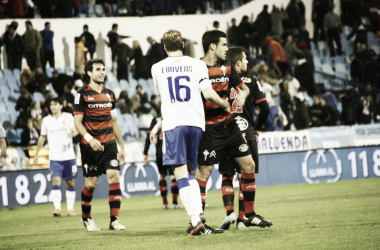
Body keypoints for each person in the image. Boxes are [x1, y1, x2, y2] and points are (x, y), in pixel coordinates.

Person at [150, 29, 230, 236]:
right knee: (191, 174)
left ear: (165, 47)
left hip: (174, 124)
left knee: (180, 174)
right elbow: (207, 93)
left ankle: (196, 222)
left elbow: (163, 98)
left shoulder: (156, 68)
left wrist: (158, 125)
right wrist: (223, 103)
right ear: (183, 45)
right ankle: (200, 219)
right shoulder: (198, 64)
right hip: (196, 123)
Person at [196, 30, 272, 230]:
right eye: (223, 45)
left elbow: (244, 88)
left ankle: (249, 214)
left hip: (230, 126)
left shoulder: (228, 67)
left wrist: (244, 96)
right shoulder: (197, 68)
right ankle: (199, 221)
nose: (226, 49)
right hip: (209, 129)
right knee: (203, 172)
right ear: (212, 46)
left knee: (248, 165)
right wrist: (222, 103)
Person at [218, 47, 269, 230]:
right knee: (244, 176)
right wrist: (257, 128)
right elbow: (265, 109)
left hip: (224, 131)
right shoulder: (252, 82)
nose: (248, 62)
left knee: (226, 174)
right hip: (246, 132)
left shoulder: (220, 81)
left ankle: (229, 213)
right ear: (238, 62)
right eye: (245, 59)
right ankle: (242, 219)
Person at [74, 58, 126, 231]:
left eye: (103, 69)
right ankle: (86, 218)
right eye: (98, 69)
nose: (102, 72)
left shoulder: (110, 94)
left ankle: (114, 220)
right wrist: (90, 139)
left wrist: (121, 146)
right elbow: (78, 123)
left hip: (109, 144)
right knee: (91, 184)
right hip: (90, 146)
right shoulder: (81, 95)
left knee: (114, 176)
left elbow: (115, 122)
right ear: (89, 72)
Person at [34, 97, 78, 217]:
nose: (53, 106)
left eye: (55, 104)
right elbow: (42, 137)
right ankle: (57, 209)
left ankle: (70, 209)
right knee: (56, 181)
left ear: (61, 106)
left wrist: (72, 134)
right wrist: (37, 153)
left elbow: (77, 129)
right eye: (51, 104)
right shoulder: (46, 120)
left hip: (69, 156)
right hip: (55, 157)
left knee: (70, 182)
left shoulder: (68, 117)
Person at [143, 116, 180, 209]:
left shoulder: (155, 120)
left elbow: (149, 136)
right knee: (173, 176)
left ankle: (165, 203)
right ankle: (175, 203)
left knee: (162, 175)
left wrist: (145, 152)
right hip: (172, 151)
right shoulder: (173, 116)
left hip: (160, 153)